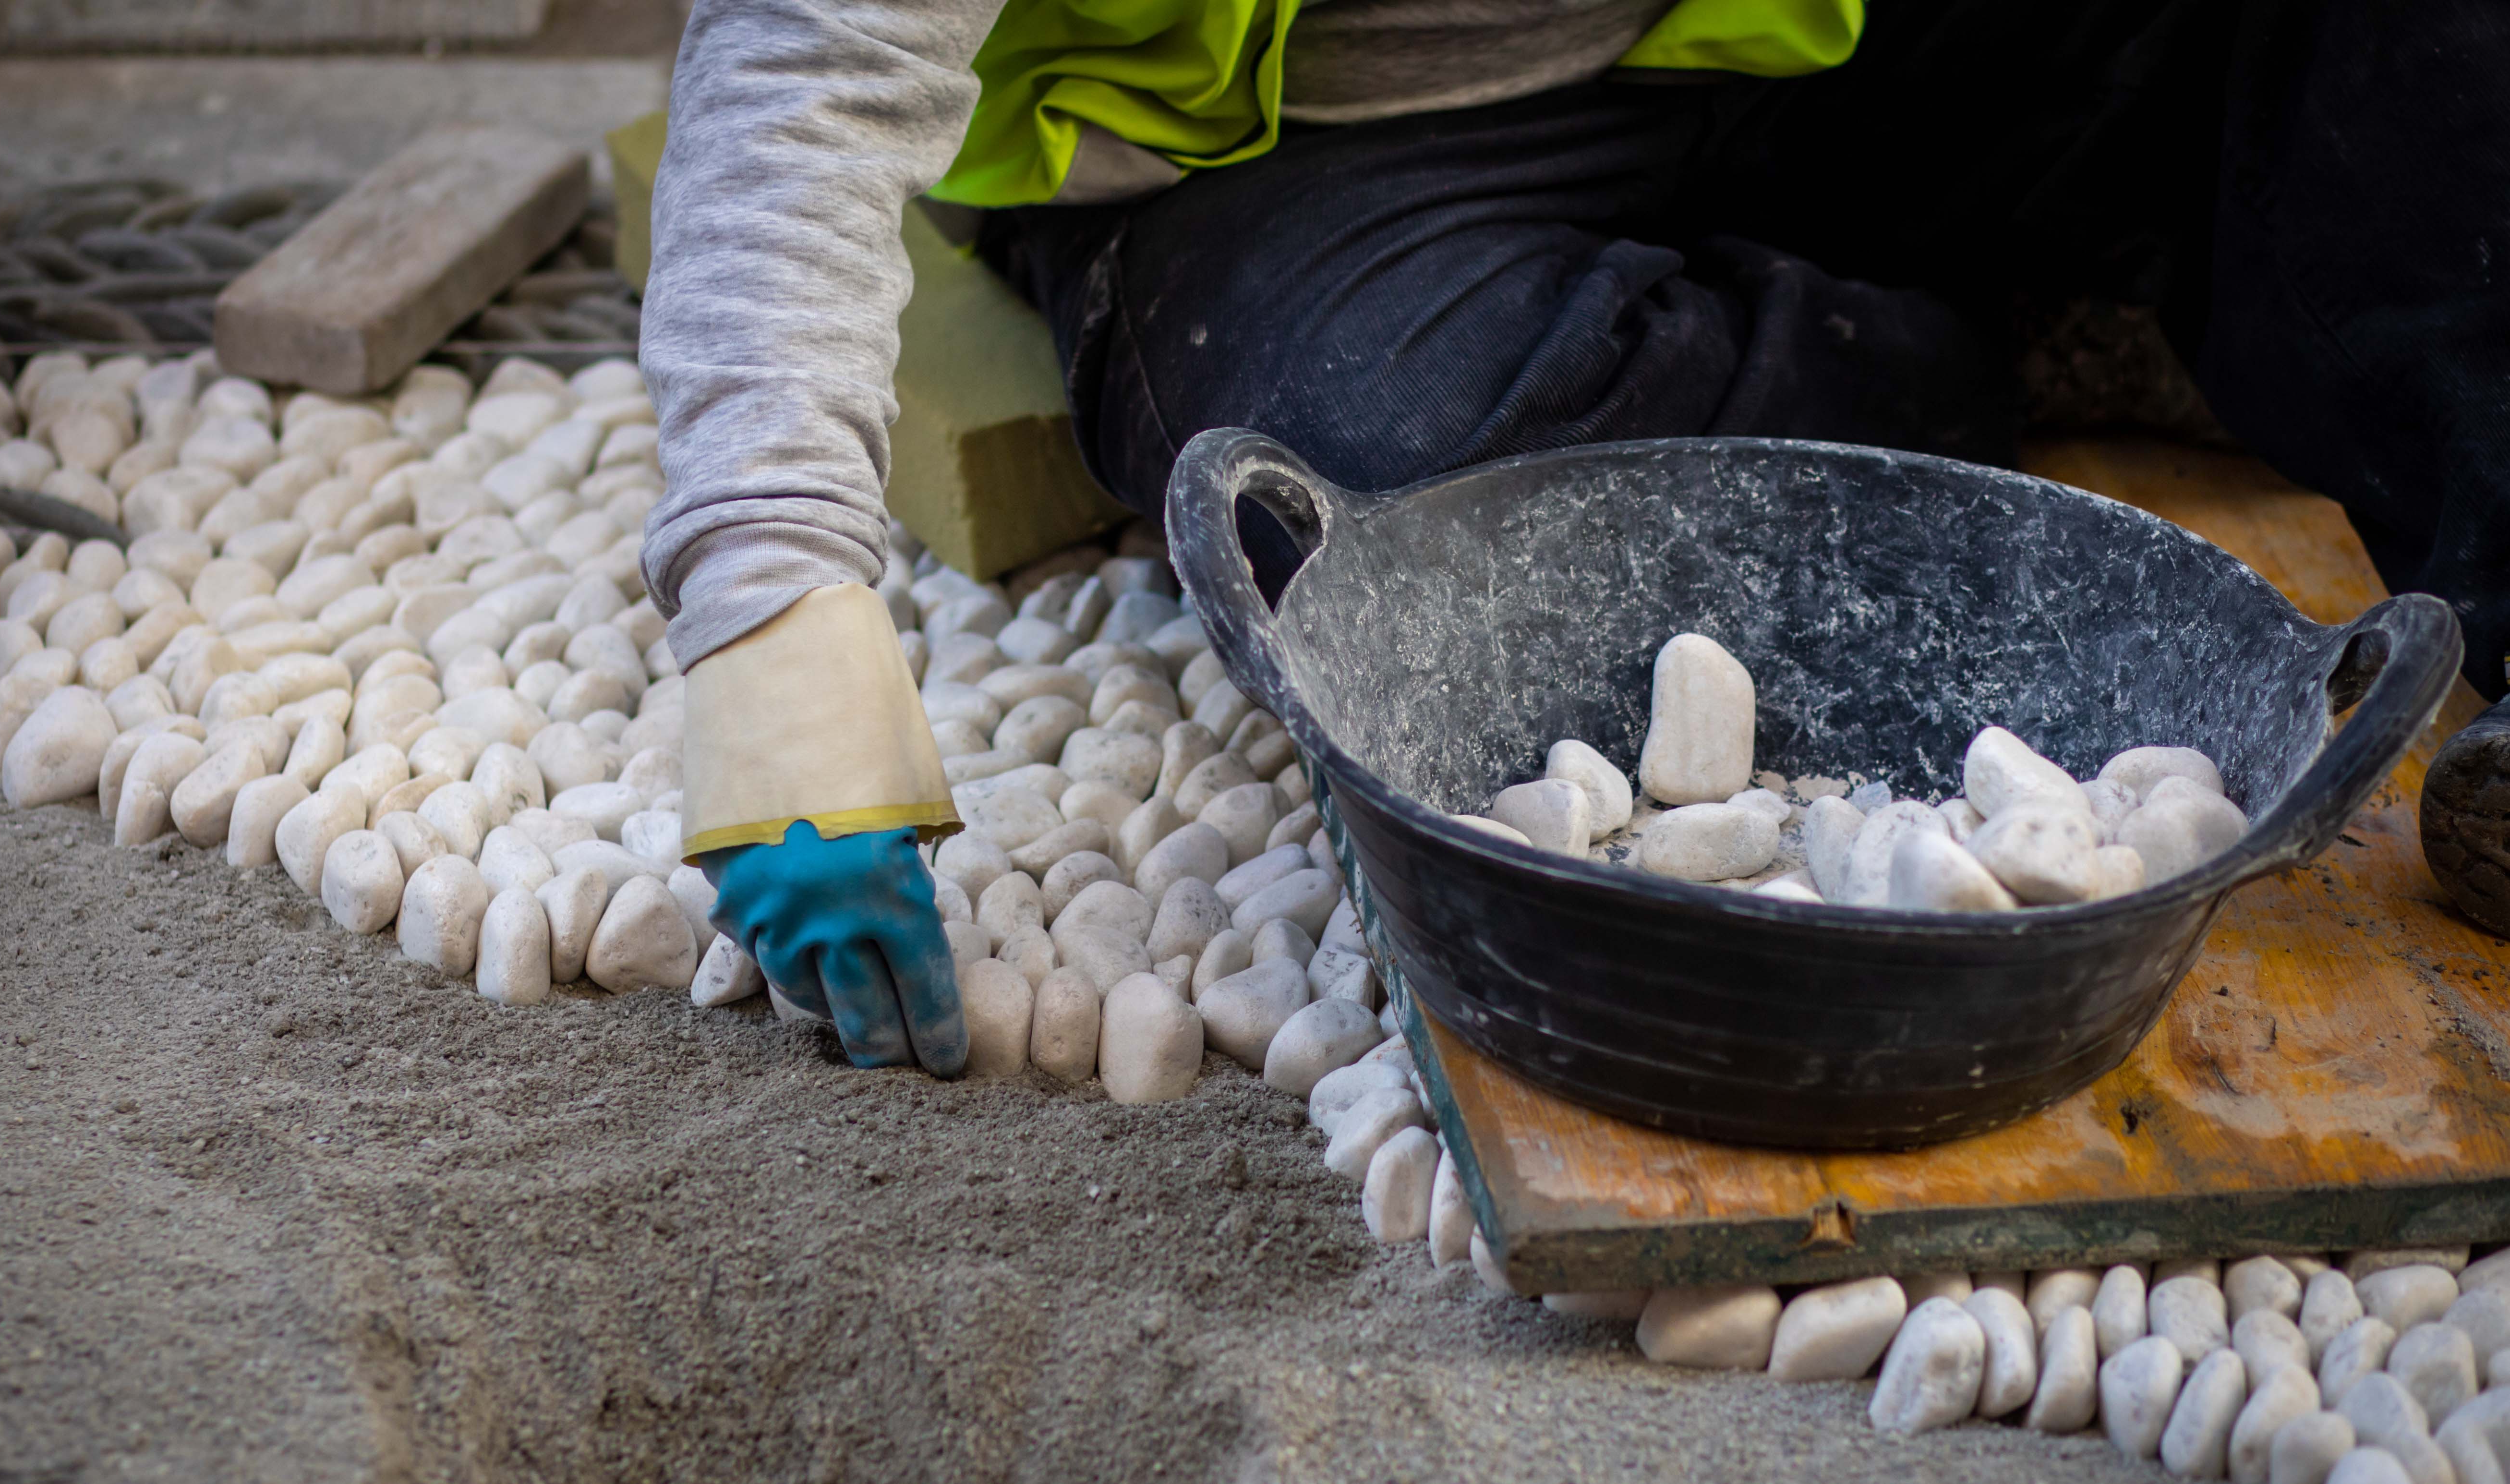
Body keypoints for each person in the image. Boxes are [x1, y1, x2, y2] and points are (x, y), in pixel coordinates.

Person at [641, 0, 2510, 1072]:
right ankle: (2014, 341)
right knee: (1388, 469)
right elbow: (806, 71)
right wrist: (773, 621)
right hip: (1311, 161)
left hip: (1779, 40)